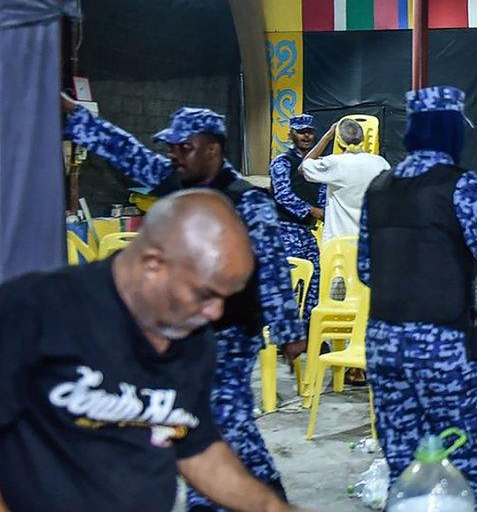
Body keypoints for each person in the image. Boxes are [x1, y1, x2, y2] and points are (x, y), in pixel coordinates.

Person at [61, 98, 306, 510]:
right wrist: (76, 115)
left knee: (213, 424)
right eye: (171, 148)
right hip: (179, 335)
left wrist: (289, 332)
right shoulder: (174, 182)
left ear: (213, 148)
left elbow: (272, 270)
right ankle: (258, 497)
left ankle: (230, 499)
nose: (174, 155)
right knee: (211, 426)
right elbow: (127, 151)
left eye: (184, 147)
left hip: (228, 337)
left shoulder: (246, 201)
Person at [0, 190, 300, 512]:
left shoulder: (192, 335)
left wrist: (274, 509)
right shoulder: (34, 310)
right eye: (206, 294)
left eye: (225, 297)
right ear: (153, 264)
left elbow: (193, 445)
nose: (215, 313)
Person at [360, 86, 477, 511]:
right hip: (447, 349)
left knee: (405, 468)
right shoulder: (466, 188)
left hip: (384, 349)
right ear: (451, 132)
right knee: (474, 460)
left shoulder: (378, 188)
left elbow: (365, 270)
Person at [269, 114, 328, 326]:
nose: (306, 136)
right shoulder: (283, 162)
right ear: (291, 134)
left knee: (314, 280)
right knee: (290, 283)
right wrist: (311, 210)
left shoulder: (316, 165)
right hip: (285, 230)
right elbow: (283, 195)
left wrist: (324, 212)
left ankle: (309, 333)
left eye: (309, 132)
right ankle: (285, 335)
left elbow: (322, 194)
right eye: (301, 132)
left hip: (306, 232)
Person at [301, 118, 390, 244]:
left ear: (339, 140)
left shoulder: (335, 163)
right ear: (363, 138)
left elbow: (303, 167)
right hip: (372, 241)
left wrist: (327, 137)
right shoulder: (381, 163)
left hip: (338, 244)